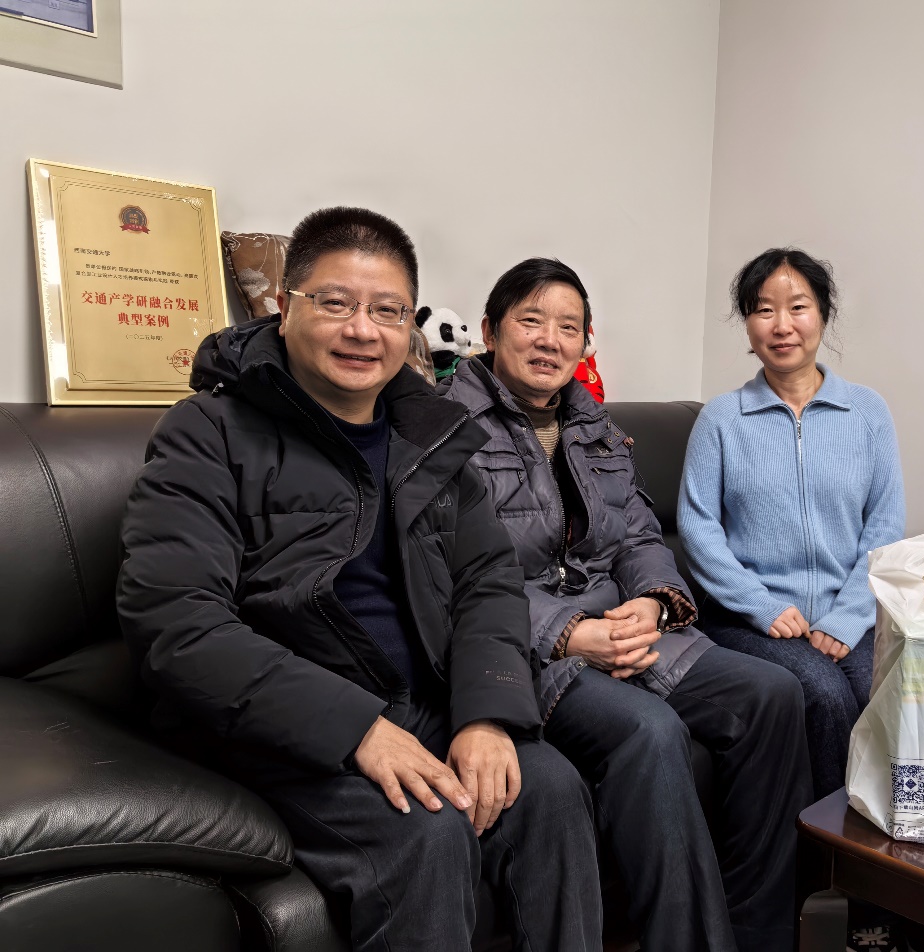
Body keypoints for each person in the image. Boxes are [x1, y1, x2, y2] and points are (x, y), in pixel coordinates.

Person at [117, 208, 601, 952]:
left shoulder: (431, 432)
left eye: (388, 311)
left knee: (551, 789)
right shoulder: (205, 432)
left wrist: (485, 716)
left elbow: (488, 582)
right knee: (427, 829)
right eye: (335, 303)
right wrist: (356, 729)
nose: (362, 330)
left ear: (411, 325)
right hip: (285, 726)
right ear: (286, 310)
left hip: (421, 704)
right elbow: (176, 621)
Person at [441, 258, 812, 952]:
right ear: (489, 331)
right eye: (530, 321)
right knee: (650, 731)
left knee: (773, 694)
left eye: (568, 327)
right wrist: (568, 633)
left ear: (585, 343)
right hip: (523, 648)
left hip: (624, 624)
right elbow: (456, 574)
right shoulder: (443, 430)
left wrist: (655, 603)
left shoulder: (595, 426)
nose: (550, 340)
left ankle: (761, 933)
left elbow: (640, 535)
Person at [679, 247, 904, 803]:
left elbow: (885, 527)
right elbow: (698, 527)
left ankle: (881, 848)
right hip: (749, 619)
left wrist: (848, 616)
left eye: (797, 307)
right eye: (764, 310)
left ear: (823, 314)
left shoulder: (868, 413)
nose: (782, 326)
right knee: (825, 694)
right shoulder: (722, 419)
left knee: (880, 691)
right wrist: (762, 606)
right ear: (748, 323)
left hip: (845, 615)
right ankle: (827, 847)